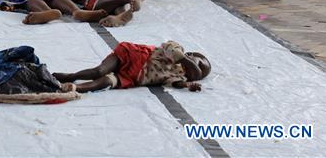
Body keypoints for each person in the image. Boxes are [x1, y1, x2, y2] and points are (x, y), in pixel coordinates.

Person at [54, 41, 210, 93]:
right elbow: (171, 49)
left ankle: (72, 88)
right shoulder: (176, 51)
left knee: (106, 82)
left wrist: (188, 85)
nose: (198, 69)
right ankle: (71, 76)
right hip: (131, 57)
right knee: (99, 71)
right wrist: (184, 59)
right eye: (198, 62)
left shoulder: (182, 75)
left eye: (201, 70)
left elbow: (175, 83)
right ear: (190, 55)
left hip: (133, 77)